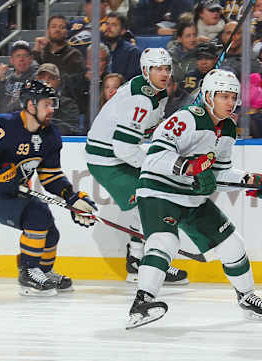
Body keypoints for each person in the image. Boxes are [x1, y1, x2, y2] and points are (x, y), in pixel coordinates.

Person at [125, 68, 262, 330]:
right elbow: (155, 157)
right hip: (159, 191)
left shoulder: (229, 127)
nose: (229, 103)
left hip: (191, 197)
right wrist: (190, 167)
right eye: (223, 97)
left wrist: (251, 181)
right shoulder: (187, 118)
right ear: (208, 96)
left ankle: (247, 296)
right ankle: (142, 303)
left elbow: (218, 174)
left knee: (233, 245)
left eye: (233, 97)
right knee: (165, 242)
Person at [0, 80, 98, 296]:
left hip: (13, 191)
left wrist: (71, 197)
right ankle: (28, 272)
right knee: (37, 215)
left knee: (50, 232)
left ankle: (42, 271)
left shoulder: (51, 136)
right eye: (46, 104)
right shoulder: (6, 127)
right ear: (31, 105)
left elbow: (50, 176)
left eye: (53, 104)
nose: (52, 109)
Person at [85, 48, 189, 285]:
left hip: (116, 153)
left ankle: (138, 260)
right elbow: (123, 148)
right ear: (145, 70)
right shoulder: (141, 98)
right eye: (157, 69)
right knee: (148, 202)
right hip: (107, 160)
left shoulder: (157, 92)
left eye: (166, 69)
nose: (163, 74)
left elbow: (148, 129)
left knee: (150, 200)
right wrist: (155, 166)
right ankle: (142, 262)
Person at [0, 40, 38, 114]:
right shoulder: (7, 80)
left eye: (25, 56)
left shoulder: (36, 79)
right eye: (18, 56)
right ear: (11, 60)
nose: (21, 59)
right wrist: (1, 80)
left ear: (31, 59)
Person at [35, 63, 82, 136]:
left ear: (58, 81)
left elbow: (72, 128)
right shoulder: (28, 102)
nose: (46, 82)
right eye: (42, 78)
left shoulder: (68, 104)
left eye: (51, 78)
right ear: (36, 80)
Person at [102, 12, 142, 81]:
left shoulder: (132, 52)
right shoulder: (99, 49)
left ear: (123, 31)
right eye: (107, 24)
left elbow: (131, 80)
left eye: (114, 25)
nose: (108, 28)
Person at [167, 14, 198, 84]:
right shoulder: (170, 57)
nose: (192, 39)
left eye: (194, 35)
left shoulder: (201, 55)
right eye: (188, 36)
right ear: (179, 39)